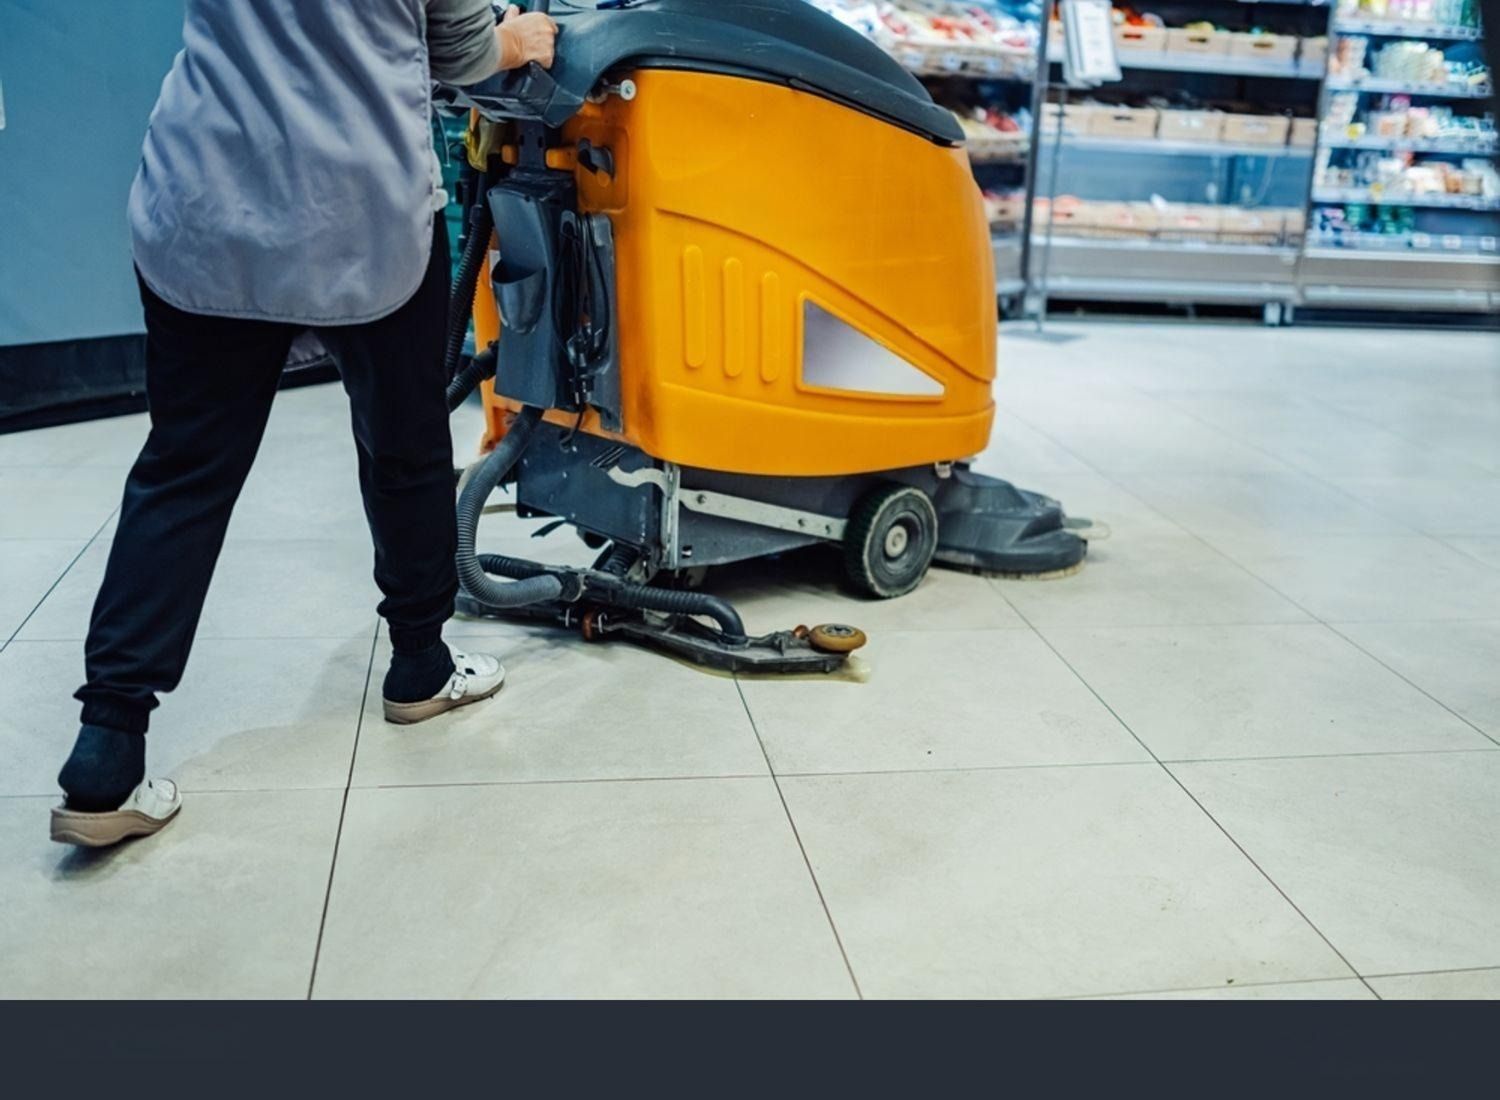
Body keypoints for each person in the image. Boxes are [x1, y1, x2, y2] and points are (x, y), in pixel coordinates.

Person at [48, 1, 558, 850]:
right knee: (404, 448)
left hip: (208, 198)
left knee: (185, 468)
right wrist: (520, 39)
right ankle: (421, 666)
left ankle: (107, 744)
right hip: (360, 210)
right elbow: (463, 49)